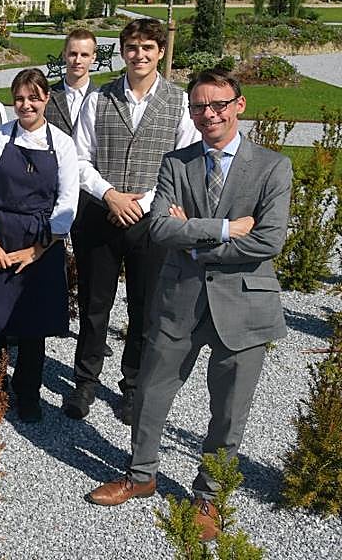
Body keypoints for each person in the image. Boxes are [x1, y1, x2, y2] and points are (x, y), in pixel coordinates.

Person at [88, 70, 292, 542]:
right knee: (152, 394)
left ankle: (209, 494)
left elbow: (269, 240)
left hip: (243, 308)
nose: (209, 114)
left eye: (218, 104)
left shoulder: (271, 167)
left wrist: (193, 238)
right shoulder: (176, 164)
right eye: (199, 107)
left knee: (229, 409)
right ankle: (141, 475)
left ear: (239, 105)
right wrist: (222, 229)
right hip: (178, 299)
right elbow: (159, 228)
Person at [64, 18, 199, 423]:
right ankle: (84, 382)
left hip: (150, 219)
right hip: (102, 213)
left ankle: (132, 385)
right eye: (132, 48)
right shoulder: (98, 99)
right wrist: (109, 194)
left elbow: (184, 161)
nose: (139, 55)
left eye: (148, 48)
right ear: (122, 52)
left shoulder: (178, 102)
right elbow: (80, 157)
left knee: (145, 307)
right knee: (94, 304)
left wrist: (145, 203)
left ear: (160, 53)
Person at [0, 69, 79, 422]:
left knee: (34, 328)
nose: (26, 105)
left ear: (46, 99)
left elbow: (67, 204)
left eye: (34, 98)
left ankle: (28, 393)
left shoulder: (64, 145)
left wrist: (36, 250)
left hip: (41, 242)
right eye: (20, 98)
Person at [44, 28, 98, 137]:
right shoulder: (46, 96)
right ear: (64, 55)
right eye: (73, 54)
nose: (77, 61)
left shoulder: (102, 98)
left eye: (84, 55)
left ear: (93, 58)